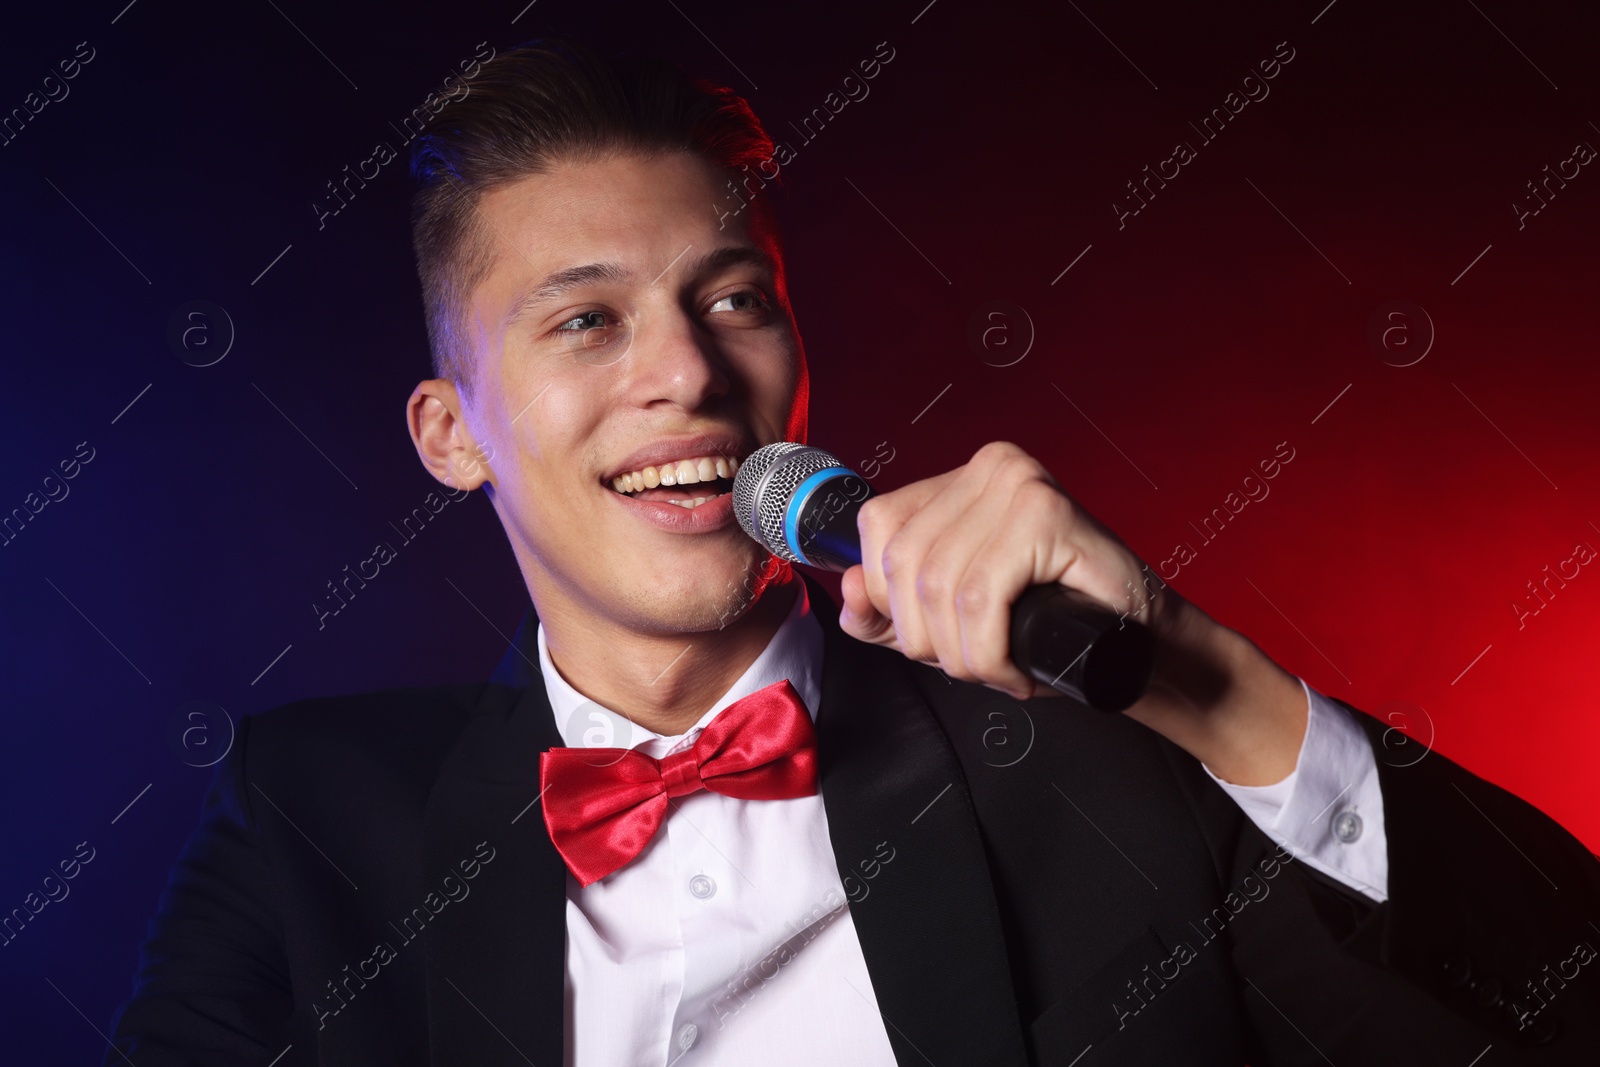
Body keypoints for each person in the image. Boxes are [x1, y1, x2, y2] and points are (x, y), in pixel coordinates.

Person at [105, 37, 1600, 1066]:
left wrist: (1201, 678)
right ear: (452, 434)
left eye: (735, 298)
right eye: (585, 319)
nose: (685, 372)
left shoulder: (1095, 763)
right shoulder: (308, 811)